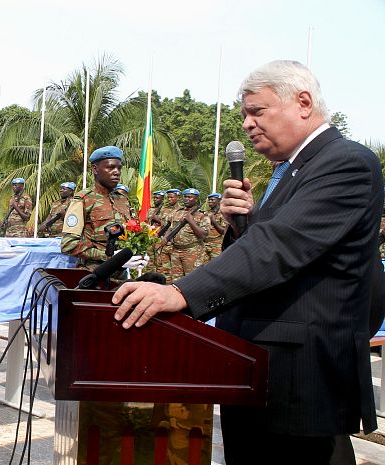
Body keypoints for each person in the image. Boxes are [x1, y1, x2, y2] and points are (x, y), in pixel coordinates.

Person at [111, 60, 382, 464]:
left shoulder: (344, 162)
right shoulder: (291, 170)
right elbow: (280, 245)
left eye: (257, 111)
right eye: (243, 115)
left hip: (300, 380)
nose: (247, 124)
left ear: (303, 102)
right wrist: (244, 224)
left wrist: (179, 293)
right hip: (258, 370)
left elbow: (280, 247)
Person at [61, 146, 144, 271]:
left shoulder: (122, 199)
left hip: (120, 276)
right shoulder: (83, 200)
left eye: (119, 168)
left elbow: (132, 234)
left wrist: (140, 255)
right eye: (110, 167)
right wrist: (110, 257)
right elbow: (68, 245)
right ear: (95, 169)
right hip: (94, 275)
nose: (116, 172)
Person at [163, 188, 209, 282]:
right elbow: (171, 228)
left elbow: (203, 235)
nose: (186, 199)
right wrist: (165, 238)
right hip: (176, 250)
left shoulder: (202, 215)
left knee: (193, 280)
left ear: (196, 199)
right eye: (185, 197)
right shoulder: (177, 213)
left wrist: (191, 221)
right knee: (176, 280)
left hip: (192, 252)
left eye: (189, 197)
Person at [203, 192, 226, 263]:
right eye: (209, 200)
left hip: (217, 244)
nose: (210, 201)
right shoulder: (205, 213)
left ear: (219, 200)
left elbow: (223, 231)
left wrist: (213, 221)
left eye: (212, 200)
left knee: (217, 265)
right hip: (204, 244)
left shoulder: (223, 213)